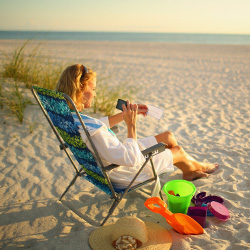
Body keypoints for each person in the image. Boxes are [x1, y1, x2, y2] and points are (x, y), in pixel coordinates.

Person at [55, 64, 219, 190]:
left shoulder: (68, 118)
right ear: (81, 88)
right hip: (125, 172)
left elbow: (99, 125)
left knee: (168, 137)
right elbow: (131, 159)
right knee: (178, 151)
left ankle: (189, 171)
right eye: (93, 89)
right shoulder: (94, 130)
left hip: (115, 157)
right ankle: (199, 167)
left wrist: (128, 113)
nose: (95, 94)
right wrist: (131, 125)